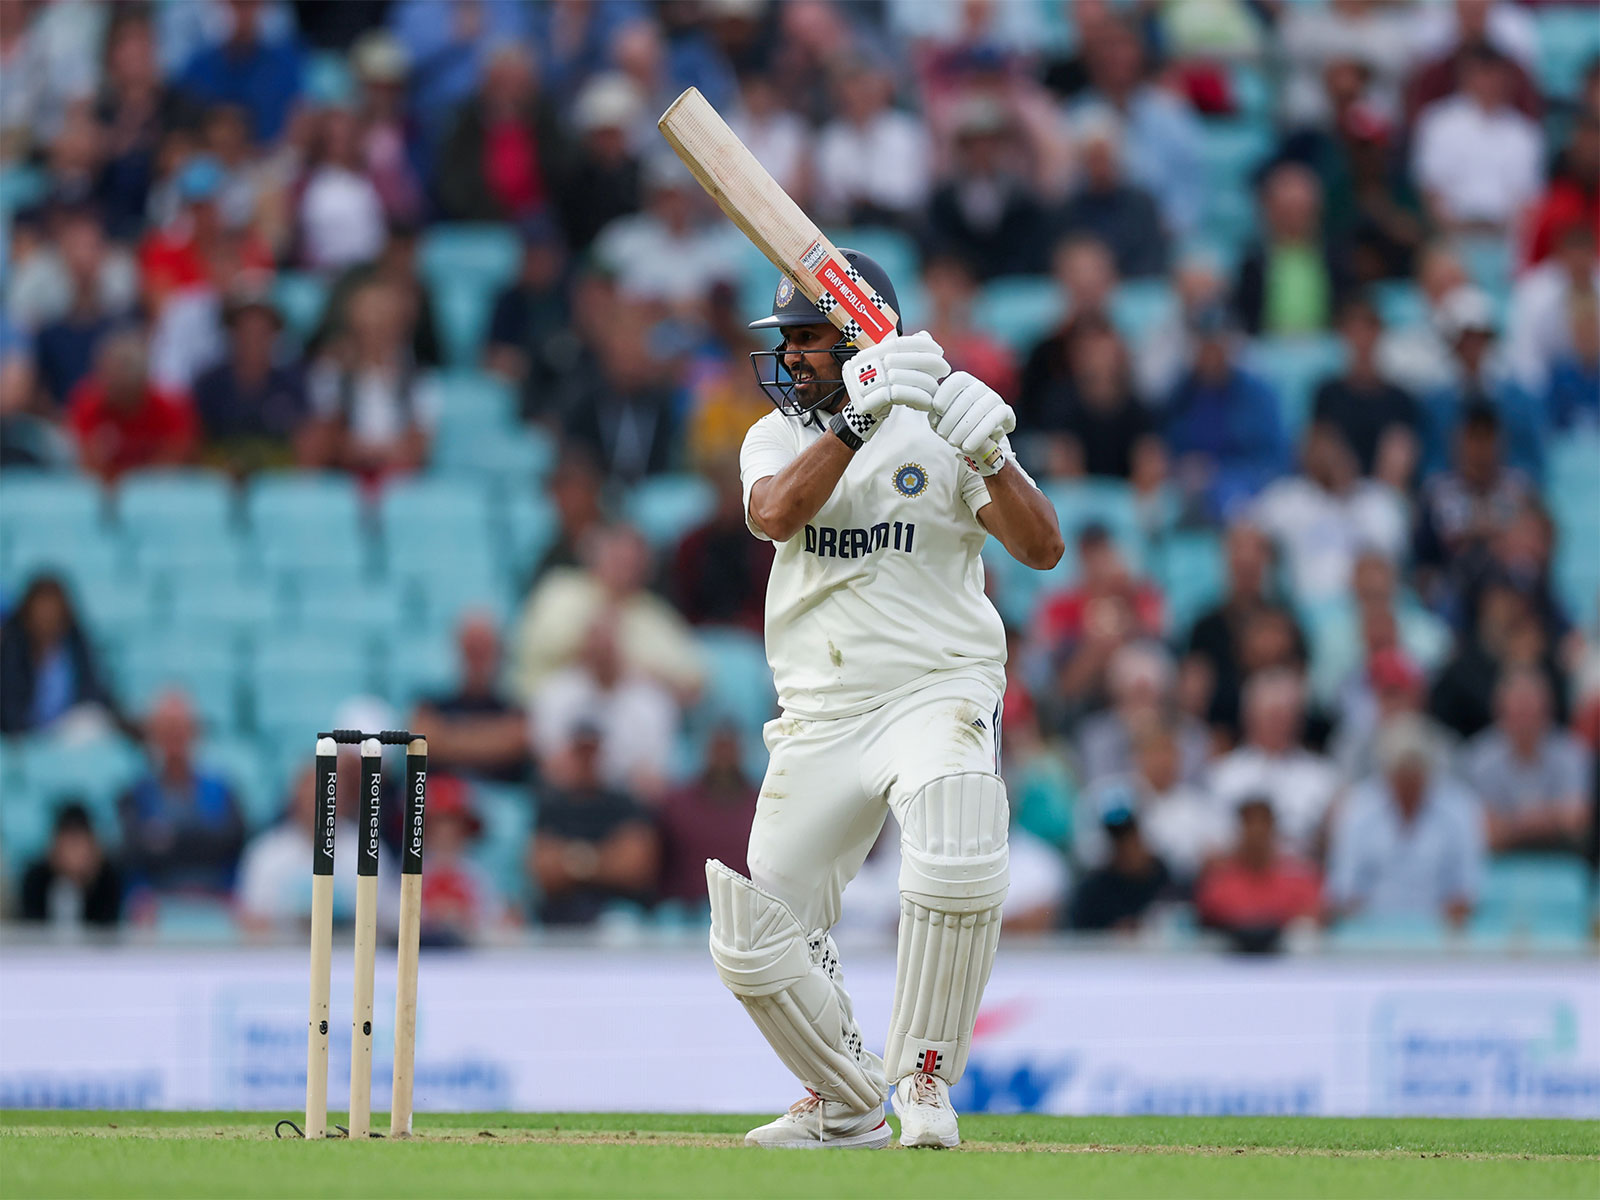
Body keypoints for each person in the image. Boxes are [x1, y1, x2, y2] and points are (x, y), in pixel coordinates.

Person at [721, 248, 1063, 1149]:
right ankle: (841, 1102)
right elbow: (774, 514)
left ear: (859, 335)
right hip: (821, 709)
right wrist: (856, 420)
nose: (790, 358)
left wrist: (995, 454)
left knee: (955, 836)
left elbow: (1042, 548)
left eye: (807, 339)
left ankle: (924, 1079)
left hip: (935, 684)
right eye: (785, 340)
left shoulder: (943, 426)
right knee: (760, 929)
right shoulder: (779, 435)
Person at [1326, 715, 1485, 927]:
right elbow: (1344, 891)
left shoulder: (1460, 808)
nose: (1408, 780)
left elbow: (1467, 890)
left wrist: (1431, 938)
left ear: (1428, 769)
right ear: (1387, 770)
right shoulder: (1357, 808)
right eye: (1401, 771)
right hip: (1369, 940)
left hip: (1440, 940)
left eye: (1415, 770)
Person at [1252, 420, 1408, 608]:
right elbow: (1247, 534)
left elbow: (1391, 562)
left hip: (1371, 607)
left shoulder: (1379, 501)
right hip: (1312, 609)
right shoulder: (1287, 498)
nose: (1328, 458)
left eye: (1335, 450)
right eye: (1319, 450)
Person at [117, 690, 247, 910]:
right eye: (166, 732)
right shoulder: (135, 795)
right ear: (153, 736)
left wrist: (165, 839)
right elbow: (134, 850)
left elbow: (232, 841)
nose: (174, 741)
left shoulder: (222, 791)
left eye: (180, 731)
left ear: (194, 733)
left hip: (216, 903)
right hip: (155, 906)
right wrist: (202, 837)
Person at [529, 619, 679, 800]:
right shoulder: (555, 692)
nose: (602, 656)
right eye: (596, 649)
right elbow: (551, 763)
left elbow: (653, 775)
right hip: (569, 795)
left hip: (626, 799)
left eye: (608, 649)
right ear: (584, 649)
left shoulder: (652, 699)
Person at [528, 723, 660, 927]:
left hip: (621, 915)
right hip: (559, 920)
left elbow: (634, 868)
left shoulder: (626, 805)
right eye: (581, 752)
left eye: (593, 752)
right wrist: (605, 859)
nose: (587, 760)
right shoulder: (551, 807)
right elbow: (544, 871)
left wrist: (570, 861)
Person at [1207, 670, 1341, 859]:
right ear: (1250, 717)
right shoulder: (1223, 775)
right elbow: (1215, 842)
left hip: (1302, 877)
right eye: (1271, 715)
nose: (1279, 724)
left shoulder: (1323, 776)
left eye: (1287, 715)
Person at [1463, 669, 1592, 854]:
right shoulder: (1479, 758)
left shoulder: (1572, 752)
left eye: (1531, 711)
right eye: (1517, 712)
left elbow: (1577, 821)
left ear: (1547, 711)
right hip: (1499, 864)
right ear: (1500, 712)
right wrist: (1549, 818)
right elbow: (1482, 831)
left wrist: (1511, 824)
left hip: (1562, 860)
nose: (1525, 721)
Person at [192, 286, 312, 475]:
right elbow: (195, 443)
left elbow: (305, 444)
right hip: (218, 483)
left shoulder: (292, 384)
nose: (253, 337)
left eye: (262, 330)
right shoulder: (209, 385)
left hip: (278, 485)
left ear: (274, 335)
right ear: (232, 333)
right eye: (245, 328)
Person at [1232, 163, 1353, 337]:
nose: (1294, 219)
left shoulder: (1336, 258)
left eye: (1301, 210)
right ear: (1269, 212)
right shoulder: (1253, 262)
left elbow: (1346, 308)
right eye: (1287, 211)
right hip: (1266, 347)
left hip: (1326, 345)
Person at [409, 613, 531, 785]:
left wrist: (447, 738)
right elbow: (420, 742)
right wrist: (493, 740)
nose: (478, 658)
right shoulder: (429, 702)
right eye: (472, 649)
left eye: (484, 649)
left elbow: (516, 742)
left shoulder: (516, 707)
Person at [1311, 296, 1422, 481]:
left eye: (1367, 328)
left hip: (1383, 493)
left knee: (1399, 445)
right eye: (1354, 330)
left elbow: (1406, 455)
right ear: (1343, 335)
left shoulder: (1400, 399)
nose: (1361, 338)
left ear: (1379, 332)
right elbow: (1315, 449)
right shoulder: (1327, 393)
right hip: (1335, 491)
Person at [64, 327, 197, 481]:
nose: (119, 385)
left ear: (144, 380)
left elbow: (176, 458)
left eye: (127, 386)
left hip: (157, 491)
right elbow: (83, 461)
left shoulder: (170, 408)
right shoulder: (87, 404)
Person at [1194, 797, 1322, 951]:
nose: (1256, 834)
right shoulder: (1218, 882)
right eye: (1250, 825)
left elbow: (1312, 915)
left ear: (1272, 829)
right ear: (1240, 830)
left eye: (1263, 825)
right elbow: (1210, 916)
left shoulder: (1298, 878)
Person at [0, 576, 120, 736]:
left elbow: (93, 691)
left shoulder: (75, 643)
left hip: (62, 734)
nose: (47, 618)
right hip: (20, 736)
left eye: (53, 611)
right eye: (41, 612)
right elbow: (10, 705)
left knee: (92, 722)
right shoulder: (11, 648)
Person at [655, 724, 759, 906]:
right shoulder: (677, 805)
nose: (724, 757)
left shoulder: (761, 806)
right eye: (719, 747)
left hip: (749, 909)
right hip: (683, 913)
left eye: (730, 748)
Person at [671, 458, 775, 632]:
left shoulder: (766, 545)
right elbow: (684, 603)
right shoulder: (691, 545)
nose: (727, 500)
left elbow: (766, 602)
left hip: (751, 636)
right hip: (700, 633)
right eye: (721, 490)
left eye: (732, 491)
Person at [416, 776, 511, 945]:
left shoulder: (479, 876)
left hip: (468, 963)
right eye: (436, 825)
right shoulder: (409, 872)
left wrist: (462, 918)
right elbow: (391, 920)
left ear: (465, 830)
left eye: (453, 825)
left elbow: (497, 923)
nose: (445, 833)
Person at [1067, 808, 1172, 932]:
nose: (1127, 849)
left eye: (1131, 839)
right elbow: (1082, 936)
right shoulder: (1093, 890)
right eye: (1119, 841)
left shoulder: (1163, 877)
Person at [18, 803, 122, 927]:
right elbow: (28, 929)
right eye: (69, 842)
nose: (73, 852)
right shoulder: (35, 879)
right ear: (55, 844)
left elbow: (108, 931)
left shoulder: (107, 879)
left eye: (79, 842)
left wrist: (85, 881)